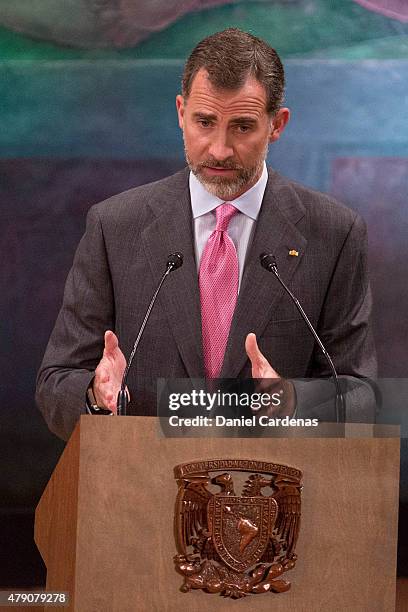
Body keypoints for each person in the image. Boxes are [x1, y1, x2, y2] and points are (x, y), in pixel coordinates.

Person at [36, 28, 377, 440]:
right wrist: (95, 395)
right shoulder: (115, 226)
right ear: (181, 113)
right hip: (139, 487)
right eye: (205, 122)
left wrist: (291, 401)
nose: (219, 149)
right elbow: (56, 384)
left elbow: (362, 398)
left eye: (242, 126)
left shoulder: (333, 233)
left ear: (277, 125)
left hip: (273, 490)